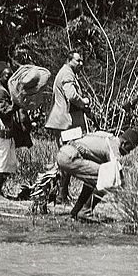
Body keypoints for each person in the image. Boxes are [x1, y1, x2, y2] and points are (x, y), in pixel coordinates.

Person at [56, 128, 138, 221]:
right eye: (130, 148)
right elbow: (117, 174)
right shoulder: (114, 146)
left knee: (91, 182)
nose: (128, 153)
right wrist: (131, 196)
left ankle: (75, 212)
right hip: (71, 157)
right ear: (125, 143)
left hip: (63, 154)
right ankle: (86, 211)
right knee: (108, 178)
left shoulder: (106, 135)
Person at [45, 51, 93, 203]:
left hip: (66, 122)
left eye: (81, 61)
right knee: (68, 156)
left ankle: (61, 193)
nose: (81, 64)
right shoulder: (67, 74)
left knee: (68, 156)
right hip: (66, 123)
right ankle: (59, 194)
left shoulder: (68, 73)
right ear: (69, 60)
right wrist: (84, 101)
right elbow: (71, 95)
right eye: (78, 61)